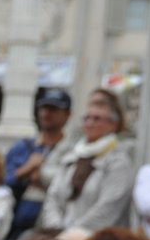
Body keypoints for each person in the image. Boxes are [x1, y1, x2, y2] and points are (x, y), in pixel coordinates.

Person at [40, 88, 134, 232]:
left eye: (97, 119)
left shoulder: (118, 161)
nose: (90, 123)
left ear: (113, 125)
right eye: (87, 118)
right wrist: (56, 230)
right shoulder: (72, 156)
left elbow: (108, 209)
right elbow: (53, 198)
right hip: (58, 238)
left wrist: (72, 234)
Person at [4, 87, 71, 240]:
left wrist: (41, 176)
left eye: (54, 109)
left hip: (52, 227)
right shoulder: (22, 147)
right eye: (44, 108)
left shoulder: (72, 151)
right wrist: (25, 171)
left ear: (68, 114)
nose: (47, 113)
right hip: (14, 226)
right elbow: (3, 180)